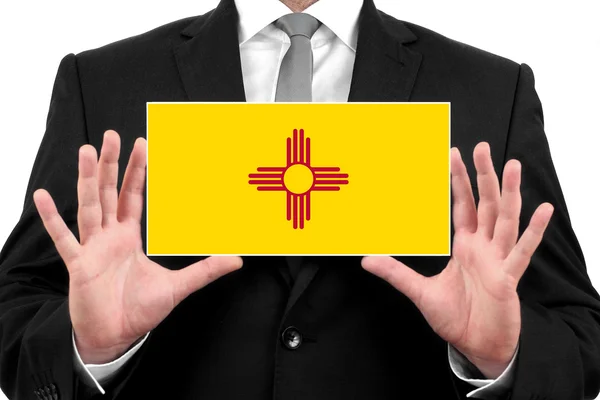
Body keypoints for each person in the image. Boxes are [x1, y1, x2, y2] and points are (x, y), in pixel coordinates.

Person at [0, 0, 599, 399]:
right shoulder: (102, 81)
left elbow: (579, 334)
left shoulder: (491, 90)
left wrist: (502, 357)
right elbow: (17, 305)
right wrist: (91, 348)